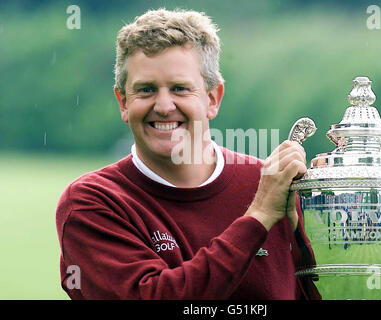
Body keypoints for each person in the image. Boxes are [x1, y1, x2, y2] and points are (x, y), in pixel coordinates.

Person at [55, 8, 321, 300]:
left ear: (212, 98)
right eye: (146, 90)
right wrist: (258, 217)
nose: (164, 105)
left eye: (180, 88)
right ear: (123, 103)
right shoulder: (92, 203)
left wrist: (320, 228)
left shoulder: (274, 187)